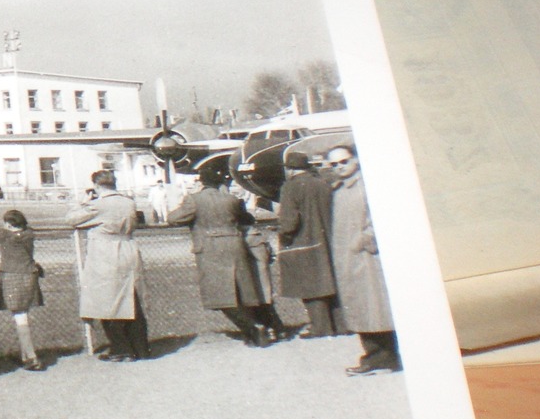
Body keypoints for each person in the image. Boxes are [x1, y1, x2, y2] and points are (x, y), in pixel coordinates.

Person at [168, 166, 275, 348]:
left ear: (201, 182)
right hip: (234, 244)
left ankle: (252, 329)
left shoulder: (194, 200)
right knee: (242, 292)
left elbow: (174, 218)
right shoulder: (231, 199)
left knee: (219, 295)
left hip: (210, 248)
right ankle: (256, 330)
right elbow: (245, 218)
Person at [324, 144, 401, 375]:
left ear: (355, 159)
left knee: (375, 308)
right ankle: (379, 356)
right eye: (334, 164)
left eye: (344, 161)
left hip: (368, 258)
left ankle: (382, 357)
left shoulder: (367, 186)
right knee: (362, 308)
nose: (340, 166)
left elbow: (383, 218)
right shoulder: (339, 189)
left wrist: (364, 240)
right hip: (349, 261)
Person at [66, 170, 150, 361]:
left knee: (105, 301)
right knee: (132, 299)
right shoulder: (128, 202)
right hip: (128, 248)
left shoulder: (98, 205)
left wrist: (83, 202)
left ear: (96, 185)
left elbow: (71, 219)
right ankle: (141, 348)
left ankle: (121, 348)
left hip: (106, 253)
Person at [276, 150, 343, 338]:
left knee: (310, 286)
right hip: (328, 239)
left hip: (303, 241)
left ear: (289, 170)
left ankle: (320, 328)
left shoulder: (290, 187)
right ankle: (341, 325)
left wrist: (283, 235)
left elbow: (289, 220)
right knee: (330, 282)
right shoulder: (323, 184)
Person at [0, 209, 45, 371]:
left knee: (20, 317)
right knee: (22, 315)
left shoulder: (5, 235)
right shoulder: (29, 234)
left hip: (11, 276)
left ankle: (31, 356)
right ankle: (26, 355)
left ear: (9, 224)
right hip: (29, 275)